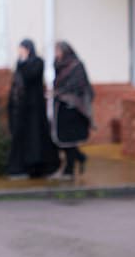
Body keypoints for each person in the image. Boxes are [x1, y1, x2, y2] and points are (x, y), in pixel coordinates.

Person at [6, 40, 60, 179]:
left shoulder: (38, 62)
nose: (20, 52)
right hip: (23, 109)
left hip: (35, 108)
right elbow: (18, 82)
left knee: (37, 137)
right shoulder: (20, 63)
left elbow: (30, 76)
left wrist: (23, 62)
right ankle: (22, 167)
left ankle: (41, 167)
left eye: (22, 49)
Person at [52, 41, 94, 179]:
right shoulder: (58, 66)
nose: (56, 54)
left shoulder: (76, 65)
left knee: (68, 139)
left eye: (57, 51)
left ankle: (69, 169)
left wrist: (58, 92)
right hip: (61, 106)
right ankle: (79, 158)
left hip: (73, 107)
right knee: (60, 138)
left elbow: (78, 85)